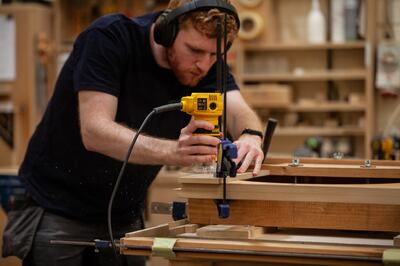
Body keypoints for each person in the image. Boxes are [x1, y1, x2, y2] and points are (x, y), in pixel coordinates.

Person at [2, 0, 264, 265]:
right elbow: (95, 132)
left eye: (213, 55)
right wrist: (174, 151)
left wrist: (251, 136)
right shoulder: (109, 39)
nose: (204, 65)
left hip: (124, 214)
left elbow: (237, 109)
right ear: (167, 32)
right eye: (195, 50)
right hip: (58, 208)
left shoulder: (205, 62)